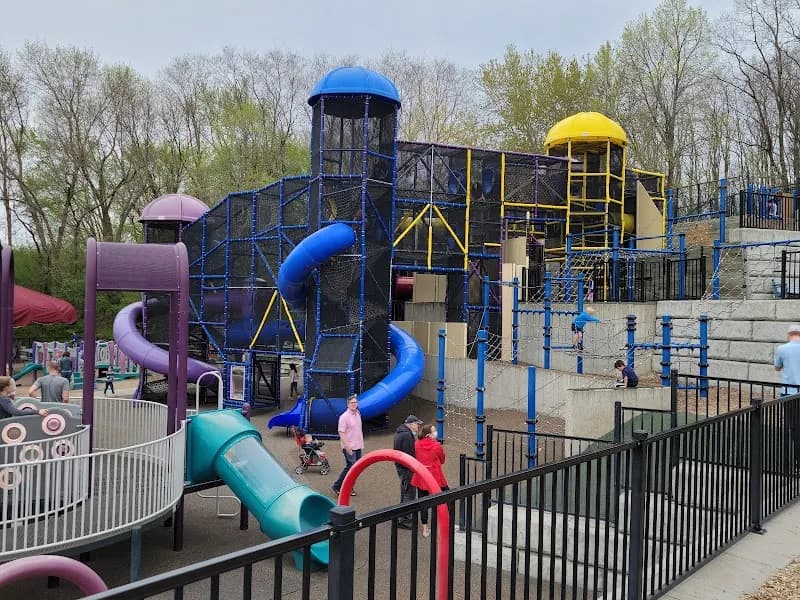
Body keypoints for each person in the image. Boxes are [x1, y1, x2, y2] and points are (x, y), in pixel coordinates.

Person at [410, 423, 449, 538]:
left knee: (423, 502)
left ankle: (425, 528)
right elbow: (442, 459)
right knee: (445, 497)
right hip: (435, 477)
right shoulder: (436, 446)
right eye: (434, 431)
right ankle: (442, 523)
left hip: (421, 476)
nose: (436, 432)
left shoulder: (417, 444)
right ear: (428, 435)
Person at [774, 324, 800, 472]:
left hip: (789, 393)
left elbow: (777, 367)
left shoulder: (782, 349)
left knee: (794, 427)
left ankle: (797, 463)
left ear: (789, 335)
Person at [393, 414, 423, 529]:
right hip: (406, 469)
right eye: (417, 424)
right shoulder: (407, 435)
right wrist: (413, 468)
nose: (418, 426)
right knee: (409, 493)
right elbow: (408, 454)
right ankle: (405, 520)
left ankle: (402, 516)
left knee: (405, 491)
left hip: (402, 467)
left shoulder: (401, 433)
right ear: (411, 424)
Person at [331, 395, 363, 497]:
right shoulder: (344, 417)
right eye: (352, 403)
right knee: (350, 467)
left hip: (358, 445)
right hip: (350, 447)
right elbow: (341, 432)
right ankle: (338, 486)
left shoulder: (358, 414)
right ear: (348, 404)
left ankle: (347, 487)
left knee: (356, 468)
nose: (354, 404)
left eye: (355, 403)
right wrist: (347, 447)